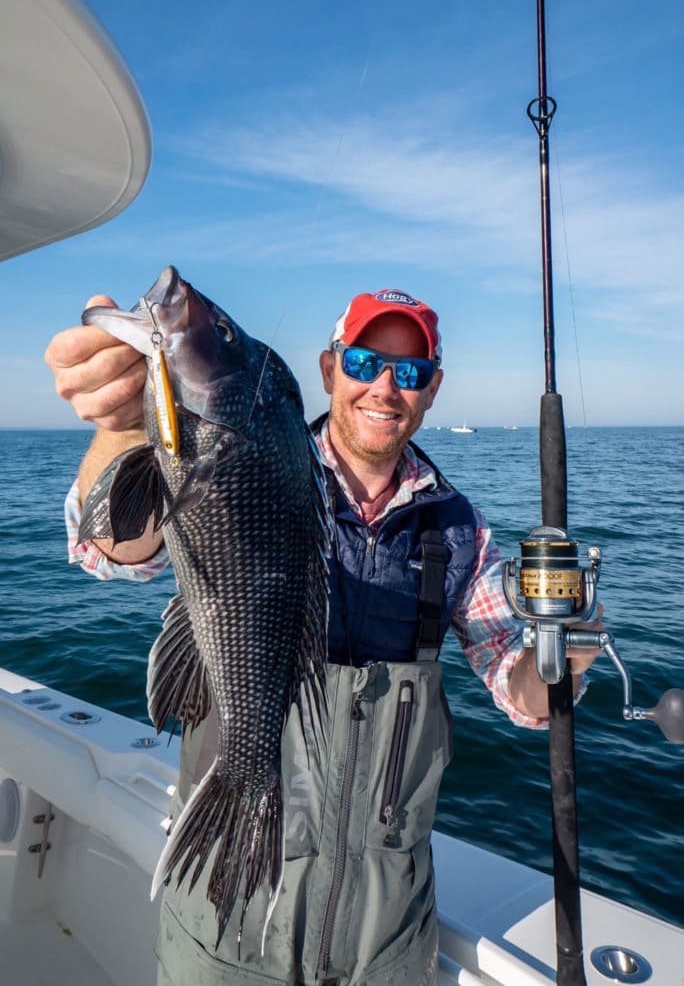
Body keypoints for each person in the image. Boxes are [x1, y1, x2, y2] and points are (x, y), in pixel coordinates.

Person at [45, 287, 601, 985]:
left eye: (410, 372)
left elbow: (523, 691)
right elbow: (112, 551)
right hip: (228, 912)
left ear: (431, 390)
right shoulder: (255, 454)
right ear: (330, 366)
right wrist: (126, 428)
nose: (385, 387)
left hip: (387, 937)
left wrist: (563, 660)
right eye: (367, 360)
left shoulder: (461, 531)